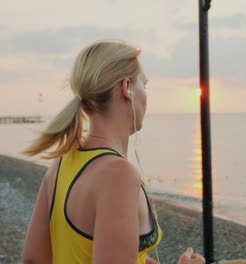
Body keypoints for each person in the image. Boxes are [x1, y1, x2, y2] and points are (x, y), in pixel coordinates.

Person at [21, 40, 206, 264]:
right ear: (126, 87)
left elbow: (33, 258)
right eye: (143, 86)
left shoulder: (62, 162)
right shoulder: (119, 175)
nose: (146, 95)